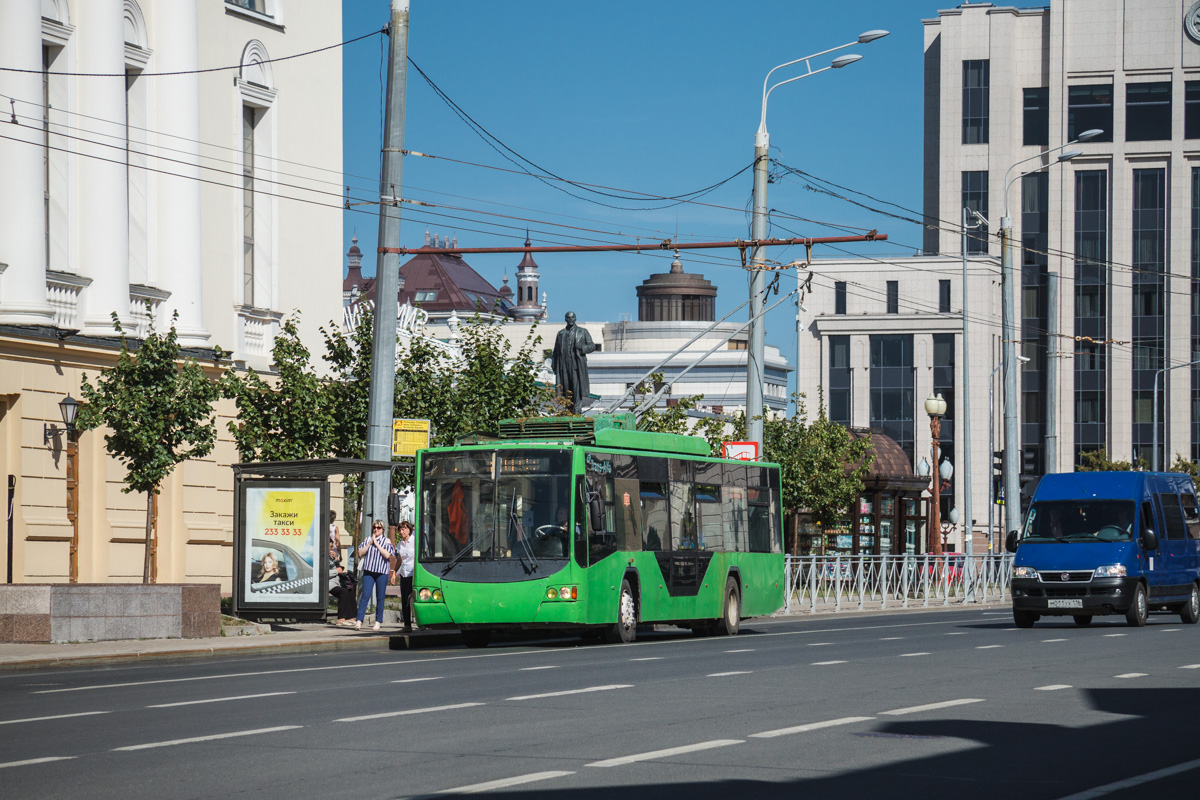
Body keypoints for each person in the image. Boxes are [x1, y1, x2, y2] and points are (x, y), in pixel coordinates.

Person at [551, 311, 597, 413]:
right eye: (568, 318)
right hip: (563, 365)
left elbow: (592, 346)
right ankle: (568, 409)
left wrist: (582, 348)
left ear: (575, 319)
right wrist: (554, 365)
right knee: (566, 388)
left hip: (576, 365)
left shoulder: (583, 332)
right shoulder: (560, 334)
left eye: (572, 318)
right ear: (565, 319)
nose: (570, 319)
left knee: (576, 389)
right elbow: (556, 351)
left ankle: (576, 410)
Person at [355, 521, 396, 631]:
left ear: (383, 530)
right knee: (365, 595)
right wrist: (370, 543)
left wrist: (377, 544)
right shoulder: (368, 539)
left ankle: (378, 621)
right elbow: (360, 552)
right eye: (374, 527)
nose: (376, 529)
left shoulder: (386, 541)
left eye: (379, 527)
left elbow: (387, 555)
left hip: (382, 572)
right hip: (369, 570)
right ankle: (359, 620)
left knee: (380, 596)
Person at [328, 511, 355, 626]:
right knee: (344, 592)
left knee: (350, 588)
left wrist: (335, 559)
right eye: (330, 545)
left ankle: (351, 616)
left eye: (332, 545)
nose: (331, 547)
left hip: (336, 581)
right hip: (329, 583)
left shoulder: (331, 555)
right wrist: (336, 570)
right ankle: (341, 617)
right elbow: (322, 572)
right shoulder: (322, 556)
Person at [390, 520, 416, 632]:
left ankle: (421, 622)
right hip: (404, 573)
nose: (402, 532)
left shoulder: (415, 541)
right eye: (400, 530)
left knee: (413, 598)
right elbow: (400, 559)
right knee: (405, 599)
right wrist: (394, 572)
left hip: (413, 573)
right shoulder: (400, 544)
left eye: (404, 529)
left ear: (409, 530)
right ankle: (407, 624)